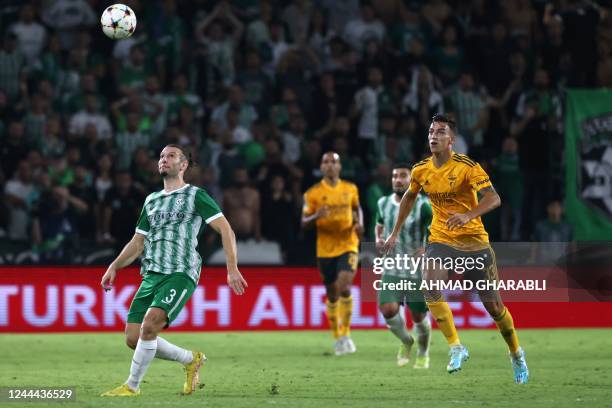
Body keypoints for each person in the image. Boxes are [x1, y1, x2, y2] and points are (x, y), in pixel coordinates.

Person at [383, 114, 529, 384]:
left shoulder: (467, 167)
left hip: (474, 242)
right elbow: (410, 196)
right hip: (441, 239)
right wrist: (394, 232)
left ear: (451, 139)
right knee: (429, 286)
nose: (433, 136)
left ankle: (516, 354)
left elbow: (494, 198)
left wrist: (468, 215)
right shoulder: (421, 170)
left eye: (440, 132)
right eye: (430, 131)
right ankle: (456, 347)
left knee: (494, 307)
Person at [100, 144, 248, 397]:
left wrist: (231, 267)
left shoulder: (196, 196)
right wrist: (115, 265)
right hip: (151, 275)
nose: (163, 160)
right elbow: (138, 242)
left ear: (183, 165)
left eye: (171, 156)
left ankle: (131, 387)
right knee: (134, 339)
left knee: (150, 326)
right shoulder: (152, 200)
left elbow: (226, 229)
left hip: (180, 272)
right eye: (161, 156)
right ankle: (191, 359)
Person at [302, 152, 364, 355]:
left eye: (334, 162)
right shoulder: (312, 193)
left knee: (345, 285)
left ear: (339, 167)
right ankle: (337, 337)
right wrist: (315, 216)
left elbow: (357, 208)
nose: (330, 165)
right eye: (326, 162)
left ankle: (345, 334)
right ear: (321, 167)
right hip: (325, 249)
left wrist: (359, 223)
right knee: (332, 293)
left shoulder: (350, 188)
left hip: (348, 244)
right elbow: (304, 223)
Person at [375, 163, 432, 368]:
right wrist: (378, 238)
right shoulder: (383, 203)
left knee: (418, 316)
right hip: (392, 266)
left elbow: (437, 231)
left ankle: (424, 353)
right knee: (388, 309)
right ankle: (407, 341)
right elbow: (379, 223)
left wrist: (426, 249)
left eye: (403, 176)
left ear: (412, 180)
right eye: (394, 176)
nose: (398, 180)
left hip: (417, 270)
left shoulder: (424, 205)